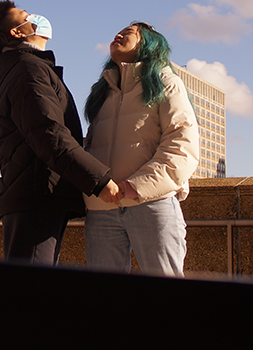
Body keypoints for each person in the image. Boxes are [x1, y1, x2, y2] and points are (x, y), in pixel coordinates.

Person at [0, 0, 122, 265]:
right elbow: (49, 134)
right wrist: (99, 180)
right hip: (38, 195)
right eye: (26, 15)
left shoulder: (22, 68)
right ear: (17, 31)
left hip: (31, 194)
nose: (35, 16)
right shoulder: (28, 70)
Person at [83, 22, 199, 276]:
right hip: (101, 208)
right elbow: (89, 145)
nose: (117, 35)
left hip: (152, 203)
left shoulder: (166, 82)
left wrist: (133, 187)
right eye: (118, 31)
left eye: (127, 33)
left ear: (148, 43)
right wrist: (96, 186)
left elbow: (182, 145)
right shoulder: (102, 91)